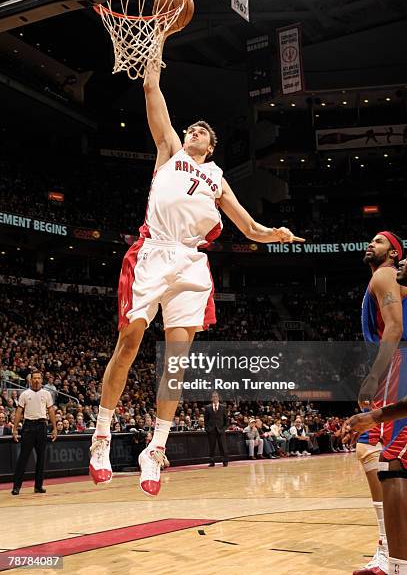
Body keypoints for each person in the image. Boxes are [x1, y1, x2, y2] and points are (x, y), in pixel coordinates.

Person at [88, 39, 304, 497]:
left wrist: (275, 234)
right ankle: (102, 433)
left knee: (176, 364)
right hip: (153, 253)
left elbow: (248, 226)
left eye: (202, 131)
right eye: (192, 128)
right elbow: (151, 90)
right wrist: (157, 41)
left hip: (190, 264)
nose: (194, 131)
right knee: (128, 343)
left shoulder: (219, 179)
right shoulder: (170, 151)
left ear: (213, 144)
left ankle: (155, 448)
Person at [348, 255, 407, 575]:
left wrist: (374, 376)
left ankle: (390, 555)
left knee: (383, 455)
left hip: (398, 364)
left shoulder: (386, 275)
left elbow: (395, 327)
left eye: (381, 240)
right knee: (384, 456)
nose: (373, 244)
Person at [11, 371, 57, 495]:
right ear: (30, 380)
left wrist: (54, 427)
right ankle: (16, 487)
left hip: (42, 425)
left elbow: (51, 410)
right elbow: (19, 412)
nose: (36, 380)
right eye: (34, 378)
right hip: (28, 426)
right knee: (23, 457)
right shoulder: (25, 394)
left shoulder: (46, 394)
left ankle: (38, 486)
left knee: (41, 458)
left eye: (38, 378)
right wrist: (15, 429)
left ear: (42, 380)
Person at [204, 391, 229, 466]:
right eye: (213, 397)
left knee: (223, 447)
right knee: (212, 447)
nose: (215, 398)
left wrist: (224, 429)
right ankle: (212, 462)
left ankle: (225, 461)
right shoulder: (208, 407)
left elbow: (226, 420)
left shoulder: (223, 407)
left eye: (216, 396)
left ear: (218, 398)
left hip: (221, 430)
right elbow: (206, 420)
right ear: (212, 398)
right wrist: (207, 429)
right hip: (211, 431)